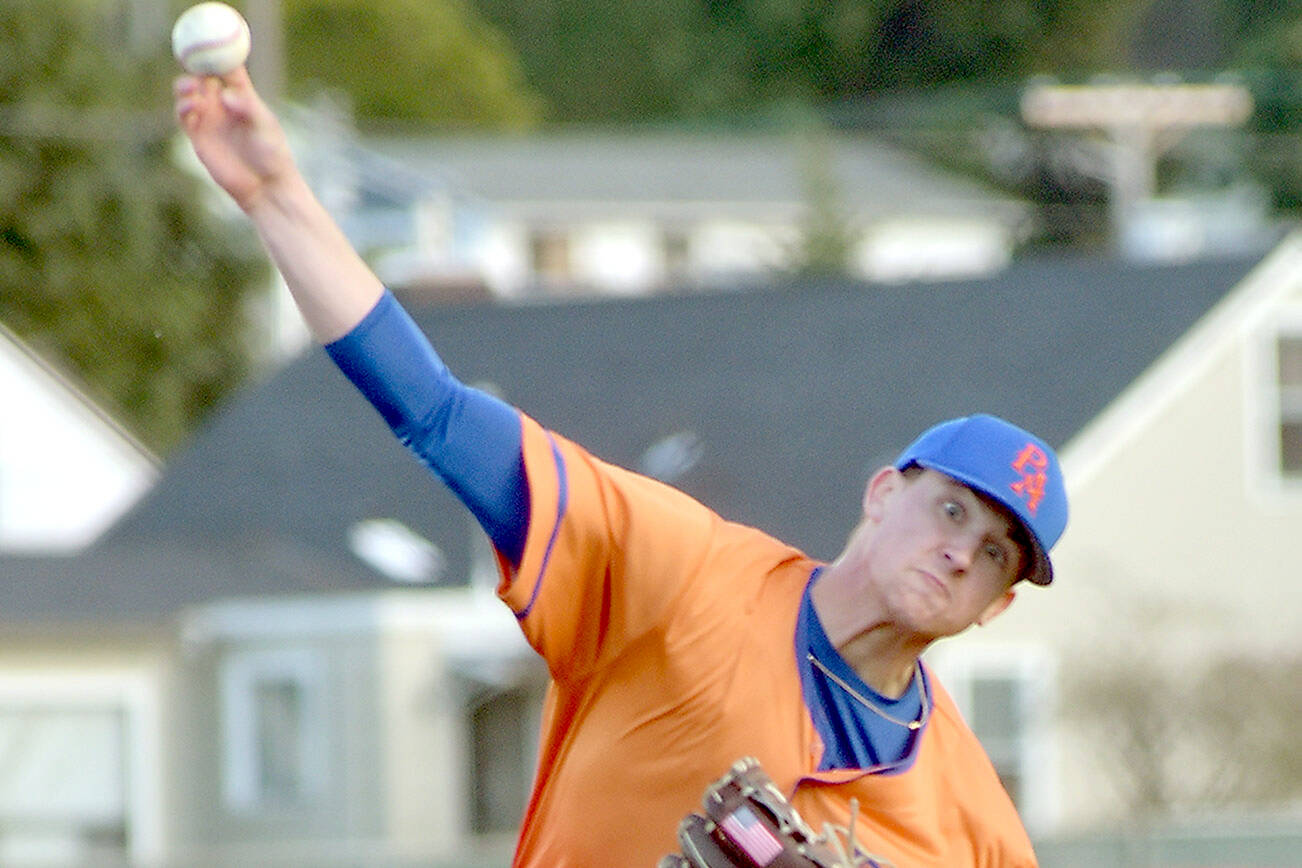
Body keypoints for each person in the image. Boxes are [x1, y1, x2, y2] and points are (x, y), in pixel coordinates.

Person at [174, 67, 1068, 868]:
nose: (962, 552)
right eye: (953, 511)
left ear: (997, 605)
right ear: (883, 493)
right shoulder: (681, 577)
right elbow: (438, 412)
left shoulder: (977, 830)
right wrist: (278, 196)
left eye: (997, 552)